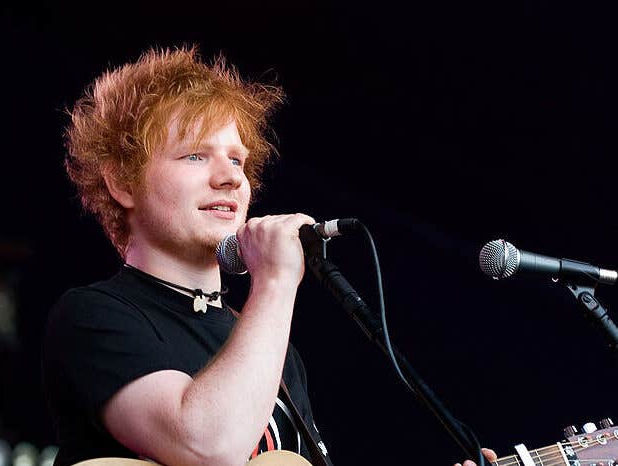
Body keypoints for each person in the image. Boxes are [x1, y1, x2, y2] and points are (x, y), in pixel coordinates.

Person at [42, 45, 496, 466]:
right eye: (196, 156)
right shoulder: (94, 315)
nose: (231, 180)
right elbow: (206, 445)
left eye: (237, 160)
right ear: (122, 182)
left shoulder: (267, 342)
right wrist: (276, 282)